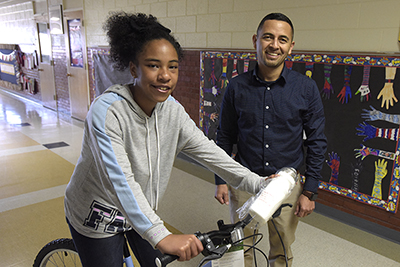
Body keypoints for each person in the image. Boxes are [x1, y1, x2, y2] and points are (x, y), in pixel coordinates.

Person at [64, 12, 269, 267]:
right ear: (133, 68)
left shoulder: (171, 110)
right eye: (153, 65)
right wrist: (161, 235)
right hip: (98, 216)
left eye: (172, 66)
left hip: (141, 211)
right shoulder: (107, 113)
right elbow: (120, 180)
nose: (165, 75)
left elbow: (208, 151)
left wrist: (258, 183)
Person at [214, 13, 327, 267]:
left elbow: (317, 141)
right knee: (240, 246)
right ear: (256, 40)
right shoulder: (236, 87)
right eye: (268, 37)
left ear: (290, 47)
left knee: (282, 250)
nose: (274, 45)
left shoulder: (305, 89)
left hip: (287, 185)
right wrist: (220, 179)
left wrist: (309, 191)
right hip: (243, 179)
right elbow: (225, 135)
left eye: (282, 39)